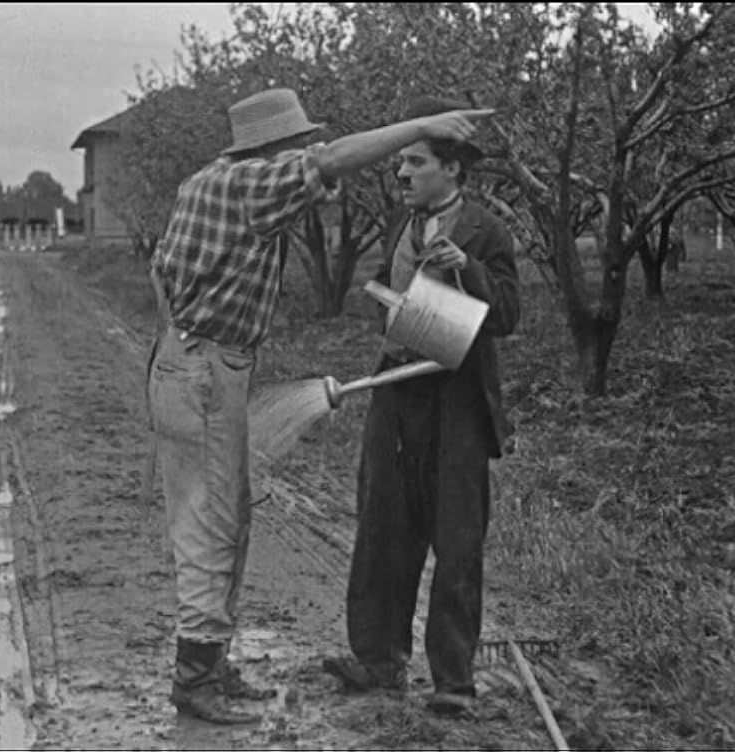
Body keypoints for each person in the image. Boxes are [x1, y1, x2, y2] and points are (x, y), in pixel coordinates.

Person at [147, 88, 494, 725]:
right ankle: (195, 680)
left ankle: (211, 663)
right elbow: (330, 162)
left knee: (228, 520)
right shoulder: (249, 185)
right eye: (297, 144)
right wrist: (419, 121)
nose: (306, 153)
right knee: (211, 527)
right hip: (204, 369)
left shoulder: (203, 185)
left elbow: (159, 273)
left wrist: (183, 345)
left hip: (196, 361)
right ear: (271, 152)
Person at [322, 95, 520, 718]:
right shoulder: (399, 227)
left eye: (415, 161)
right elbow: (392, 295)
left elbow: (510, 315)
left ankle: (453, 682)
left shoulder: (486, 230)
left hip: (457, 404)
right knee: (383, 524)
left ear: (453, 170)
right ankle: (378, 659)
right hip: (396, 394)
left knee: (458, 541)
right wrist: (385, 301)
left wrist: (470, 273)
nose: (401, 173)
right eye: (401, 162)